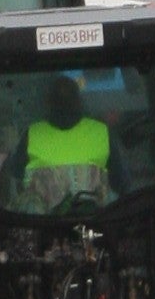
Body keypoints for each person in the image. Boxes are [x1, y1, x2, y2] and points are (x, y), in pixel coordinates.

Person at [19, 73, 111, 208]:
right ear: (79, 102)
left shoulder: (32, 134)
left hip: (42, 224)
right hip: (93, 223)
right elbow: (122, 183)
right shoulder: (101, 132)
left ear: (47, 103)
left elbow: (15, 175)